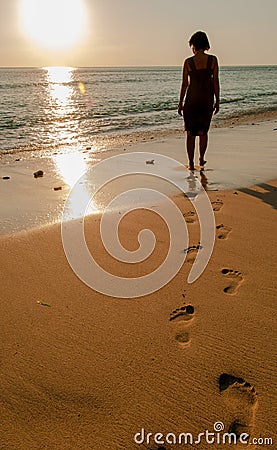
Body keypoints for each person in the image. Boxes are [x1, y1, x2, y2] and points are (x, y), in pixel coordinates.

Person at [178, 31, 220, 171]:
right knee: (203, 133)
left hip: (191, 101)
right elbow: (215, 82)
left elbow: (185, 84)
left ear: (193, 45)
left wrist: (180, 103)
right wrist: (217, 100)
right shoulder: (212, 60)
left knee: (190, 134)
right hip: (206, 101)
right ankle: (201, 159)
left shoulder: (188, 62)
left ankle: (190, 163)